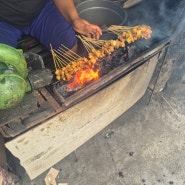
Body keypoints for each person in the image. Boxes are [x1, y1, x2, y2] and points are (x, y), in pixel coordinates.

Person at [0, 0, 102, 53]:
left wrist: (75, 19)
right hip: (4, 21)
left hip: (40, 10)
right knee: (4, 66)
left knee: (69, 48)